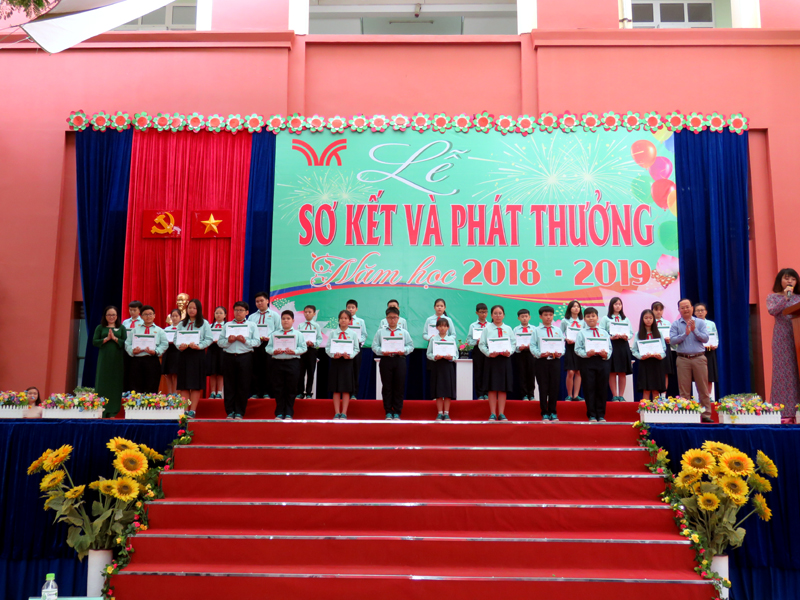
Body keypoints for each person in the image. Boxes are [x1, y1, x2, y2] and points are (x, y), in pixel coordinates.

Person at [669, 298, 712, 422]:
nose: (685, 309)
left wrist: (694, 331)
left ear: (692, 308)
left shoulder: (700, 322)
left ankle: (706, 414)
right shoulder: (676, 324)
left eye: (687, 307)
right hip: (683, 359)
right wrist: (685, 334)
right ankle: (686, 414)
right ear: (679, 310)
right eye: (682, 308)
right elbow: (672, 341)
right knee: (684, 389)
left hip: (699, 358)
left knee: (703, 388)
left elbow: (705, 339)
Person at [767, 268, 800, 421]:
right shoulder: (773, 297)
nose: (790, 281)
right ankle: (784, 411)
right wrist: (786, 298)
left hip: (798, 337)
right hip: (782, 338)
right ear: (780, 280)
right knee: (784, 373)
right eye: (786, 278)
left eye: (793, 279)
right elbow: (772, 311)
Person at [217, 301, 260, 419]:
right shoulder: (227, 325)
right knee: (229, 384)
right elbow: (220, 342)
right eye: (236, 310)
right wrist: (228, 341)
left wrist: (245, 341)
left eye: (241, 310)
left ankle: (240, 412)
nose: (238, 312)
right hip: (229, 356)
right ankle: (230, 411)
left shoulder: (252, 325)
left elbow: (257, 342)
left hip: (245, 357)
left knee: (243, 384)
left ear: (247, 312)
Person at [373, 306, 414, 420]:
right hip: (386, 360)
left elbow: (411, 346)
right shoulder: (380, 332)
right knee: (387, 386)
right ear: (386, 318)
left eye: (395, 317)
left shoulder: (404, 332)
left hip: (399, 360)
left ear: (398, 318)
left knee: (399, 386)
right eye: (390, 317)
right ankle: (388, 411)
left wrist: (403, 351)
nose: (392, 320)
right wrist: (382, 351)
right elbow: (374, 346)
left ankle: (397, 412)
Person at [266, 310, 307, 420]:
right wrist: (274, 351)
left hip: (292, 363)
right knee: (278, 388)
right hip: (277, 363)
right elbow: (268, 348)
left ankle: (289, 412)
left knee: (291, 388)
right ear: (281, 320)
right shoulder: (274, 334)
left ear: (293, 320)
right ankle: (279, 412)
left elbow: (304, 348)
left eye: (288, 319)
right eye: (283, 319)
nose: (285, 321)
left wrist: (294, 351)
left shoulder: (298, 334)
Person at [478, 305, 516, 421]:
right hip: (492, 360)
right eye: (495, 313)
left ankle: (501, 413)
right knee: (492, 387)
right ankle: (493, 413)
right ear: (491, 315)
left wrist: (509, 352)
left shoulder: (508, 329)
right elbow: (482, 344)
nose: (498, 316)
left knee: (503, 388)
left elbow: (513, 343)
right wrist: (489, 353)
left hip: (504, 360)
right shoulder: (487, 329)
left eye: (500, 313)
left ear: (504, 315)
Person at [574, 307, 613, 422]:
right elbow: (577, 349)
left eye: (593, 316)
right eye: (588, 316)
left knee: (602, 388)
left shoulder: (604, 332)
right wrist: (586, 354)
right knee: (589, 387)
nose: (591, 318)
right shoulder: (581, 333)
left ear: (597, 318)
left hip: (602, 362)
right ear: (584, 319)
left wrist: (606, 355)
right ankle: (591, 414)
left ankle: (601, 414)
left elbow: (610, 348)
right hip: (587, 362)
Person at [176, 299, 212, 418]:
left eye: (194, 308)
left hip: (197, 356)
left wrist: (199, 346)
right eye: (189, 308)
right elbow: (176, 338)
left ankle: (193, 410)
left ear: (198, 310)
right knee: (184, 385)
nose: (191, 310)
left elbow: (209, 339)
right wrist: (179, 346)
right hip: (184, 355)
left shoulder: (204, 323)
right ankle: (185, 410)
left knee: (195, 384)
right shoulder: (182, 324)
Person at [92, 305, 127, 418]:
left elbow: (126, 342)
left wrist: (115, 339)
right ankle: (101, 409)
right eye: (109, 315)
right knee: (102, 382)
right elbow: (94, 341)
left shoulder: (121, 328)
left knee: (115, 384)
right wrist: (106, 339)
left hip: (117, 359)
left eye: (113, 315)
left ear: (117, 316)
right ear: (105, 316)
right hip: (104, 359)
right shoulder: (100, 328)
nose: (111, 317)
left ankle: (113, 411)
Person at [125, 305, 168, 395]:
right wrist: (132, 351)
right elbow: (127, 343)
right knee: (135, 386)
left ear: (154, 315)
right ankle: (136, 403)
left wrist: (156, 351)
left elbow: (164, 344)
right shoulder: (135, 330)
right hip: (136, 361)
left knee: (151, 386)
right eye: (145, 314)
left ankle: (150, 403)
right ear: (141, 316)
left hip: (152, 360)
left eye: (150, 314)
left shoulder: (159, 331)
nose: (148, 316)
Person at [532, 306, 564, 422]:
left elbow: (562, 345)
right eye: (545, 315)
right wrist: (540, 354)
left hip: (555, 361)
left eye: (550, 315)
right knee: (543, 387)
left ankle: (553, 411)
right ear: (540, 316)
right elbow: (532, 346)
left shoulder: (558, 330)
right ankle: (544, 412)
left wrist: (560, 353)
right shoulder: (536, 331)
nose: (548, 317)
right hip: (541, 361)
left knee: (554, 387)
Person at [326, 310, 359, 419]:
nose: (343, 320)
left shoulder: (353, 334)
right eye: (341, 318)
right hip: (336, 362)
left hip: (347, 363)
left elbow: (356, 349)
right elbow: (327, 348)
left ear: (350, 320)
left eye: (346, 318)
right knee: (336, 389)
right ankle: (337, 412)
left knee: (346, 389)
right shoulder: (333, 333)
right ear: (338, 320)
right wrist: (333, 355)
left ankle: (344, 413)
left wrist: (350, 355)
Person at [249, 292, 280, 400]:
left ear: (267, 301)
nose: (259, 303)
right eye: (257, 301)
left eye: (261, 301)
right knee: (256, 369)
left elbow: (278, 330)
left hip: (269, 344)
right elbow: (249, 331)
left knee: (268, 369)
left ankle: (267, 392)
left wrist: (269, 337)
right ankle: (256, 392)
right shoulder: (252, 317)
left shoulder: (275, 315)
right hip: (256, 345)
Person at [602, 297, 633, 402]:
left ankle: (621, 395)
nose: (618, 306)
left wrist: (626, 336)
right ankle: (615, 395)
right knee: (612, 371)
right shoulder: (606, 318)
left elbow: (631, 333)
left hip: (623, 345)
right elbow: (602, 332)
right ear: (611, 305)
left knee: (622, 371)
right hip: (611, 345)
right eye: (615, 304)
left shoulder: (625, 319)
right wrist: (610, 337)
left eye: (619, 304)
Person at [632, 309, 667, 401]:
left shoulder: (658, 333)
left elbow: (664, 348)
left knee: (656, 389)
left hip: (657, 363)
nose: (648, 320)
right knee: (646, 390)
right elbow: (634, 350)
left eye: (651, 318)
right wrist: (641, 357)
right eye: (646, 318)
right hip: (645, 363)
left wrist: (661, 356)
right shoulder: (638, 334)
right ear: (642, 319)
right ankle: (645, 409)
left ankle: (655, 409)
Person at [427, 317, 457, 420]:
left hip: (448, 366)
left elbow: (456, 354)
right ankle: (440, 413)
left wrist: (451, 357)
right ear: (437, 327)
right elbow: (428, 354)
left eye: (444, 326)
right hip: (437, 366)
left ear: (448, 327)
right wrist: (435, 357)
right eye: (440, 326)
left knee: (448, 391)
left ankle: (446, 413)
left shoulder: (451, 340)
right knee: (438, 391)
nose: (442, 328)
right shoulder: (433, 339)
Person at [297, 305, 323, 400]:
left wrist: (313, 343)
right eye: (306, 312)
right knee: (301, 372)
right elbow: (298, 338)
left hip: (312, 351)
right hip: (302, 351)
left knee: (310, 372)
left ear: (314, 314)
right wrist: (302, 343)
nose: (307, 314)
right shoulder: (300, 326)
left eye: (309, 312)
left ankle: (309, 392)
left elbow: (319, 339)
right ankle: (300, 392)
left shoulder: (316, 326)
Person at [693, 303, 718, 399]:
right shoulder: (692, 324)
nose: (700, 312)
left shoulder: (711, 324)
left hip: (709, 351)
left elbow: (715, 336)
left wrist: (715, 345)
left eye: (702, 310)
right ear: (694, 313)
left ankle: (708, 397)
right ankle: (700, 397)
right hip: (697, 352)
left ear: (706, 312)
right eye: (698, 310)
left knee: (709, 375)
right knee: (699, 376)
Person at [561, 300, 584, 402]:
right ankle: (569, 395)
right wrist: (566, 339)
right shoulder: (565, 321)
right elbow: (560, 333)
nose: (576, 308)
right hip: (570, 347)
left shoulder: (583, 321)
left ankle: (576, 395)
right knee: (570, 372)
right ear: (570, 308)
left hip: (580, 347)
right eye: (574, 306)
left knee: (578, 372)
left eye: (578, 306)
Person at [346, 299, 368, 400]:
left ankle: (354, 393)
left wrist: (358, 341)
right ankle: (345, 392)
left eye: (352, 307)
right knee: (346, 371)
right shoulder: (343, 320)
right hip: (345, 348)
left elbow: (364, 335)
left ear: (356, 309)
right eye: (349, 307)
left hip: (356, 348)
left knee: (355, 370)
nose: (350, 309)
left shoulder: (360, 321)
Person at [467, 303, 489, 400]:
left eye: (485, 312)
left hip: (488, 350)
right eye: (481, 312)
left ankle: (487, 393)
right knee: (478, 372)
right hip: (478, 350)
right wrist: (476, 341)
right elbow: (469, 340)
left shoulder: (490, 325)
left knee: (487, 372)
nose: (484, 314)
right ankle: (480, 394)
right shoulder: (473, 325)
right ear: (477, 313)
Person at [513, 308, 537, 401]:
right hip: (520, 354)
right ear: (518, 318)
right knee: (522, 374)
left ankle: (531, 394)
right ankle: (524, 395)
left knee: (531, 374)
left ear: (529, 317)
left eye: (526, 316)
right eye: (522, 317)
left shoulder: (534, 329)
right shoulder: (515, 329)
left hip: (531, 354)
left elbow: (536, 342)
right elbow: (513, 343)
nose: (524, 318)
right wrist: (519, 347)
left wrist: (531, 346)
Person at [651, 301, 673, 395]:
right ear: (652, 310)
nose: (658, 312)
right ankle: (656, 396)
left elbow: (672, 336)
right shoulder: (650, 322)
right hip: (653, 349)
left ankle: (663, 396)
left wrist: (669, 339)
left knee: (665, 371)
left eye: (660, 310)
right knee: (655, 372)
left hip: (665, 348)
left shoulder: (667, 323)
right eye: (656, 310)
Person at [206, 306, 227, 399]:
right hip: (212, 349)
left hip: (222, 349)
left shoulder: (227, 326)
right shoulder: (210, 326)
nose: (218, 315)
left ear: (225, 315)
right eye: (216, 313)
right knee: (212, 371)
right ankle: (212, 392)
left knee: (221, 371)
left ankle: (220, 392)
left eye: (221, 313)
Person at [162, 309, 182, 395]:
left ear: (180, 317)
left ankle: (175, 393)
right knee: (168, 373)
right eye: (172, 316)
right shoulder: (166, 329)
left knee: (175, 373)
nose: (174, 318)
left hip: (177, 351)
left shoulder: (181, 329)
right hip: (168, 351)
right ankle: (169, 392)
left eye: (176, 316)